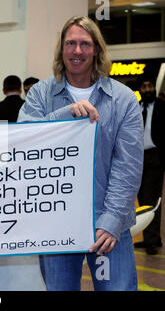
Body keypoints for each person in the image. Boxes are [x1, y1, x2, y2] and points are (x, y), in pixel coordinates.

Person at [17, 16, 144, 291]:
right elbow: (24, 142)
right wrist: (66, 115)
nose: (77, 51)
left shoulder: (123, 100)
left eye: (85, 44)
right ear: (61, 50)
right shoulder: (40, 94)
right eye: (71, 43)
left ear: (97, 49)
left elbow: (128, 167)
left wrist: (111, 222)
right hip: (56, 222)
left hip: (109, 223)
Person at [134, 78, 165, 255]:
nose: (148, 89)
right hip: (138, 157)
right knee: (142, 197)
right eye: (144, 87)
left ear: (154, 88)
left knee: (152, 199)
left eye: (150, 86)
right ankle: (149, 238)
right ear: (140, 90)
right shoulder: (136, 107)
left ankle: (152, 240)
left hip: (155, 156)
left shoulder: (162, 107)